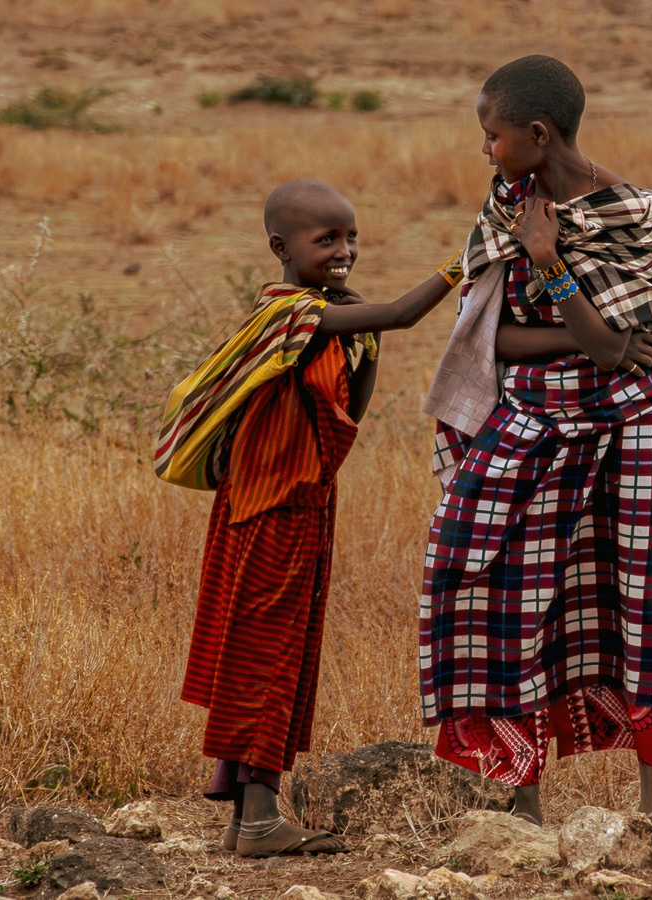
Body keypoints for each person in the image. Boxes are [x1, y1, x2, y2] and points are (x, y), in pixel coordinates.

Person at [420, 55, 652, 834]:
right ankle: (525, 799)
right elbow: (488, 336)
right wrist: (597, 341)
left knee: (639, 596)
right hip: (532, 426)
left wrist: (554, 271)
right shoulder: (507, 211)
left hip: (636, 427)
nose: (484, 150)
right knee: (506, 590)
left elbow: (607, 338)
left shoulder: (641, 223)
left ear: (538, 133)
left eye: (491, 135)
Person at [157, 178, 461, 857]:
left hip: (296, 506)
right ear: (280, 248)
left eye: (351, 238)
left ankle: (248, 818)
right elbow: (405, 314)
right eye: (327, 240)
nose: (344, 251)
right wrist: (462, 263)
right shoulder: (288, 315)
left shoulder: (319, 321)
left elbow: (351, 406)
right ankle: (260, 818)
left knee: (275, 652)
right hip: (272, 512)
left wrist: (366, 337)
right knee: (267, 654)